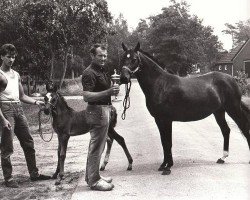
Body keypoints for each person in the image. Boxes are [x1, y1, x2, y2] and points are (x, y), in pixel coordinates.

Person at [0, 44, 51, 188]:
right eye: (8, 56)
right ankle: (8, 178)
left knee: (28, 141)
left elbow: (22, 96)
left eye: (13, 57)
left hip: (18, 108)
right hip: (5, 109)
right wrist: (3, 120)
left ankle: (34, 174)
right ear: (2, 56)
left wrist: (37, 102)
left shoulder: (16, 75)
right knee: (7, 146)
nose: (11, 59)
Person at [82, 43, 119, 191]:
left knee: (99, 146)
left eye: (105, 55)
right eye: (100, 55)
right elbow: (86, 96)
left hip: (103, 109)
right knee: (96, 147)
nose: (103, 58)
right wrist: (108, 92)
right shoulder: (89, 72)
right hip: (96, 111)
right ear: (93, 56)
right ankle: (94, 181)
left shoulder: (102, 70)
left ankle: (91, 176)